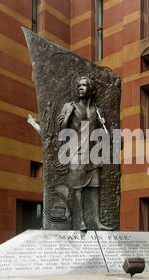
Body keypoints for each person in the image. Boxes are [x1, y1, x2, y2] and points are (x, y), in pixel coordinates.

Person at [57, 76, 112, 231]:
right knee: (78, 188)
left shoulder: (97, 111)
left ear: (91, 89)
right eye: (79, 85)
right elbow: (62, 130)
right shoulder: (70, 106)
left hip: (93, 153)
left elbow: (103, 134)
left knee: (95, 187)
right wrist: (68, 114)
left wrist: (103, 126)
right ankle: (80, 221)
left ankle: (97, 222)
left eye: (84, 85)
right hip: (76, 151)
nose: (80, 88)